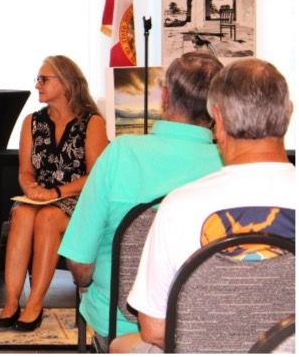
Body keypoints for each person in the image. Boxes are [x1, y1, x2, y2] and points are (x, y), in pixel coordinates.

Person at [112, 58, 296, 353]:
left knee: (120, 346)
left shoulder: (179, 206)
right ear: (289, 112)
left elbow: (155, 329)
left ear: (218, 121)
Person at [57, 51, 224, 351]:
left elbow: (80, 264)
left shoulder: (121, 154)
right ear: (219, 107)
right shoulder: (230, 165)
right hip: (212, 323)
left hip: (119, 325)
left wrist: (86, 285)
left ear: (164, 96)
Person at [0, 55, 108, 331]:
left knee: (47, 218)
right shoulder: (32, 122)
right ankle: (11, 302)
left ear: (67, 83)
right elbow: (24, 171)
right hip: (41, 197)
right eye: (38, 79)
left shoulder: (92, 123)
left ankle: (34, 303)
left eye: (44, 79)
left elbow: (96, 176)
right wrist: (31, 188)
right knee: (22, 213)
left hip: (78, 199)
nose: (37, 85)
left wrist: (57, 191)